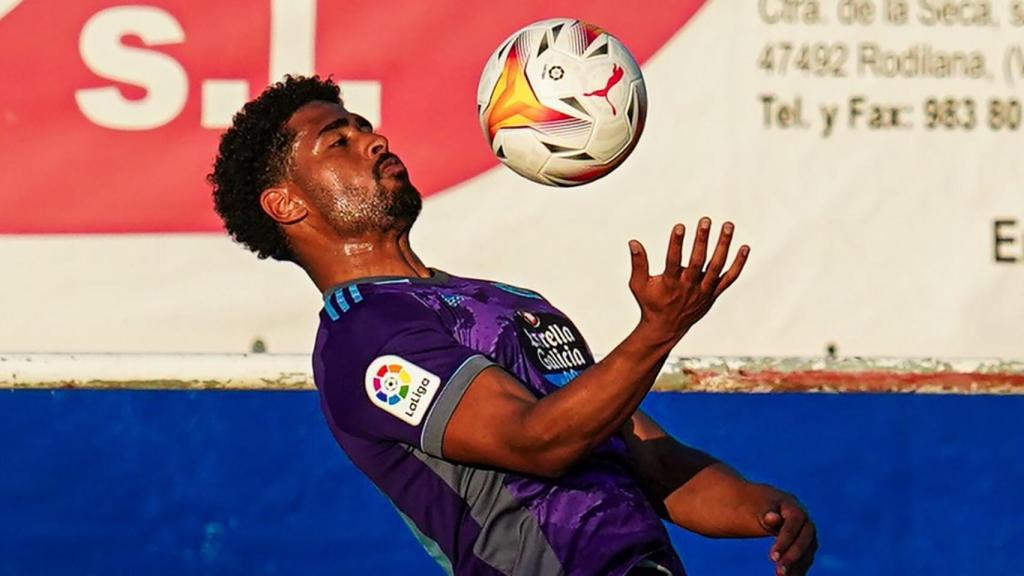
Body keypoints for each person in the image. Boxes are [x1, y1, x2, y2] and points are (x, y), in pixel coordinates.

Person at [209, 75, 817, 576]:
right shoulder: (362, 337)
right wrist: (657, 331)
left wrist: (760, 508)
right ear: (287, 204)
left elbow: (649, 459)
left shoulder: (510, 301)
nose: (373, 140)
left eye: (364, 127)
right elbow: (539, 442)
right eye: (337, 141)